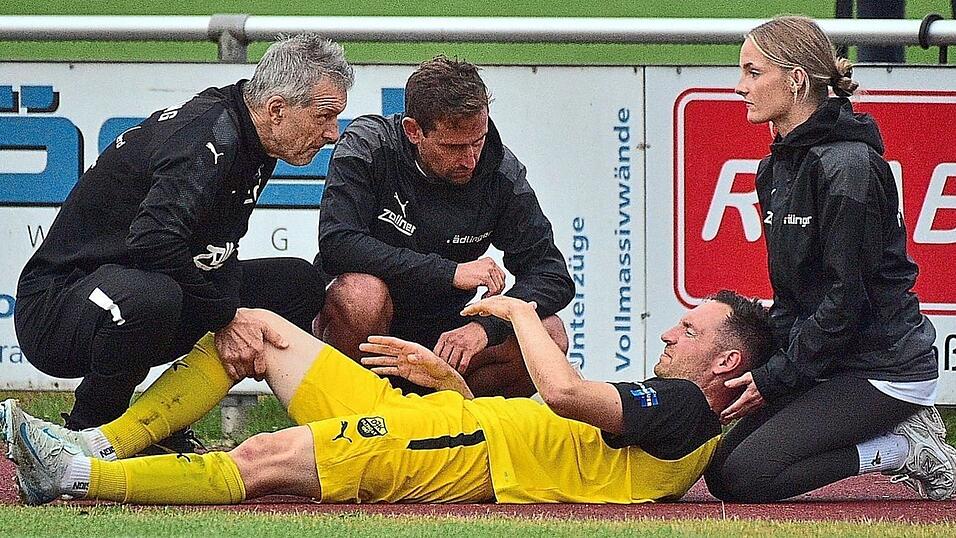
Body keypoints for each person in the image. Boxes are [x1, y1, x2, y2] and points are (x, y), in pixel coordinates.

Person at [3, 290, 771, 505]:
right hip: (449, 422)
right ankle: (96, 442)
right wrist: (454, 385)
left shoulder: (687, 410)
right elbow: (565, 436)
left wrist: (518, 314)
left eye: (690, 328)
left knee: (263, 456)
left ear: (727, 361)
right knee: (256, 329)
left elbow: (564, 395)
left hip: (460, 453)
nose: (670, 331)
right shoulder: (682, 412)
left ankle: (71, 475)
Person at [12, 34, 353, 450]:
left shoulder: (252, 133)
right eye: (324, 116)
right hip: (57, 309)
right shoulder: (206, 139)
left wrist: (232, 313)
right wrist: (226, 317)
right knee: (155, 295)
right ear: (277, 109)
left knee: (296, 285)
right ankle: (86, 435)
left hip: (139, 285)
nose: (333, 133)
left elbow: (221, 248)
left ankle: (161, 421)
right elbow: (153, 243)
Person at [704, 16, 956, 503]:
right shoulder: (775, 166)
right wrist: (761, 367)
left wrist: (776, 378)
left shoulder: (849, 166)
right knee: (722, 471)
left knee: (746, 478)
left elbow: (847, 302)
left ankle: (904, 449)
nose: (739, 87)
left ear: (796, 79)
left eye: (753, 72)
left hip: (884, 367)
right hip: (830, 359)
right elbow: (792, 299)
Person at [313, 56, 574, 397]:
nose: (470, 160)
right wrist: (450, 272)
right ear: (413, 131)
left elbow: (552, 276)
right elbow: (338, 243)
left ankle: (464, 424)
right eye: (453, 147)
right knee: (361, 296)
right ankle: (357, 416)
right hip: (371, 328)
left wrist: (486, 326)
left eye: (478, 141)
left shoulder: (501, 173)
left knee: (549, 333)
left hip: (446, 337)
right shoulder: (369, 145)